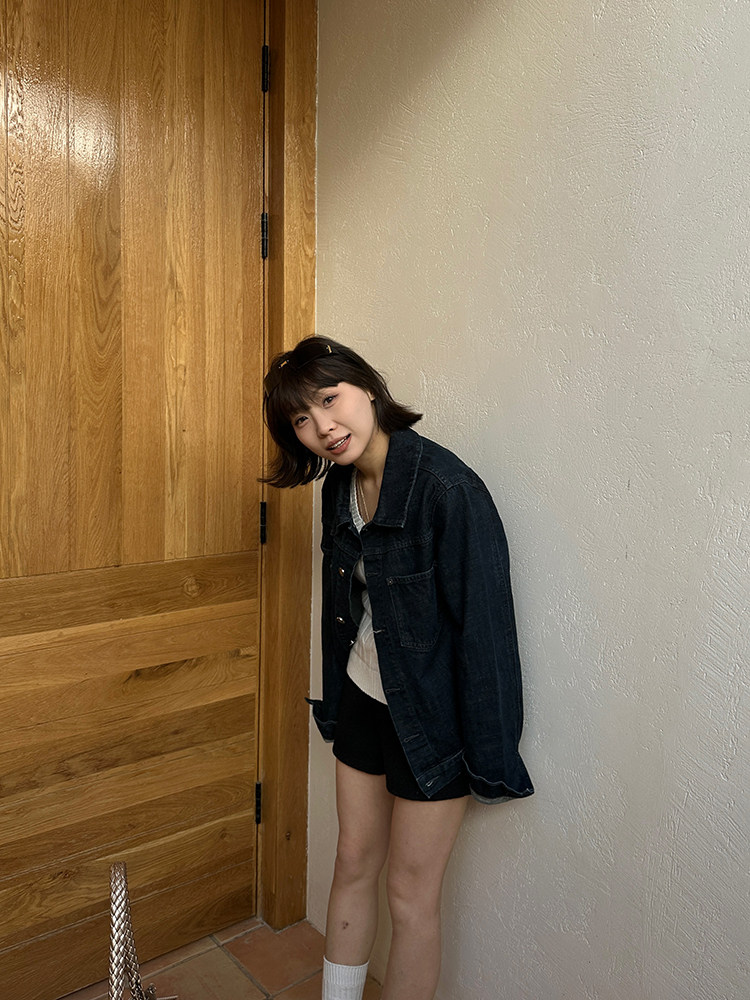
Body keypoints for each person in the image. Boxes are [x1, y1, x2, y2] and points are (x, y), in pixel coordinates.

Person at [263, 336, 533, 1000]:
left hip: (434, 722)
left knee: (410, 895)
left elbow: (487, 635)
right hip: (362, 696)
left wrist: (490, 759)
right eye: (301, 418)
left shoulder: (448, 490)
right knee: (352, 861)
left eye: (330, 399)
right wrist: (335, 701)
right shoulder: (340, 486)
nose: (323, 427)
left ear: (367, 387)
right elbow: (348, 609)